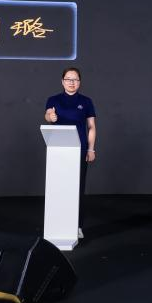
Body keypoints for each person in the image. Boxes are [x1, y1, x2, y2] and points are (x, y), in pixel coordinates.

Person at [45, 67, 96, 236]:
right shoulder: (53, 100)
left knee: (77, 189)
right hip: (58, 151)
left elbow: (91, 127)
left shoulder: (86, 101)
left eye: (75, 79)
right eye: (68, 79)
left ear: (79, 82)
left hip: (79, 151)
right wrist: (50, 117)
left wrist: (91, 148)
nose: (71, 82)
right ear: (62, 81)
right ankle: (58, 224)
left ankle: (77, 226)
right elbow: (48, 114)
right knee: (58, 189)